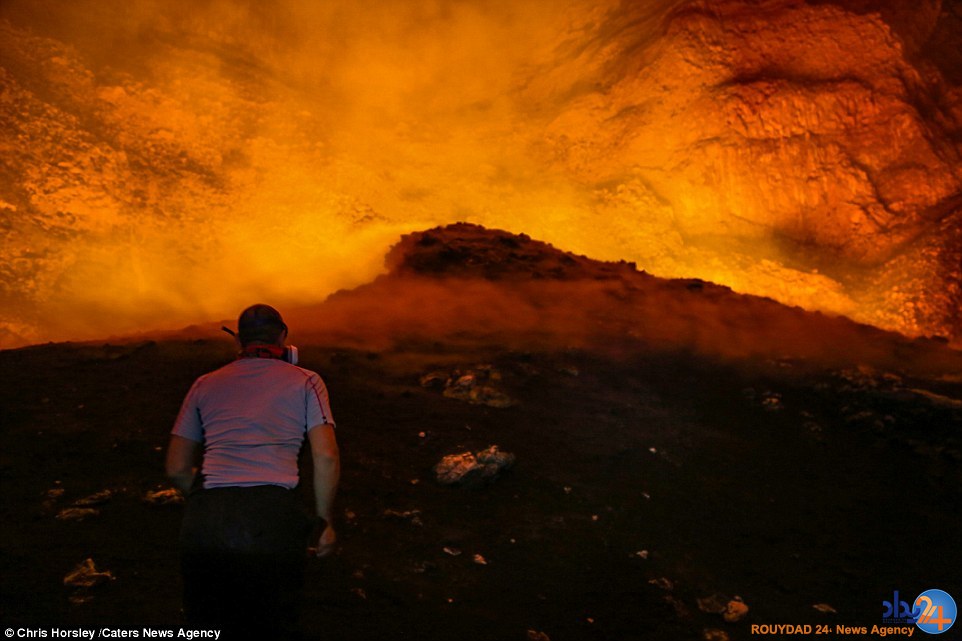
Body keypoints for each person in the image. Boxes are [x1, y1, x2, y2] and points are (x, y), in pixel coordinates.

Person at [165, 304, 339, 639]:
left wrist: (208, 501)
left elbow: (176, 467)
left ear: (238, 342)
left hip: (206, 520)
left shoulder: (204, 384)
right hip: (270, 517)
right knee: (271, 621)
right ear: (283, 338)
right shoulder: (307, 381)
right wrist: (324, 521)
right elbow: (327, 456)